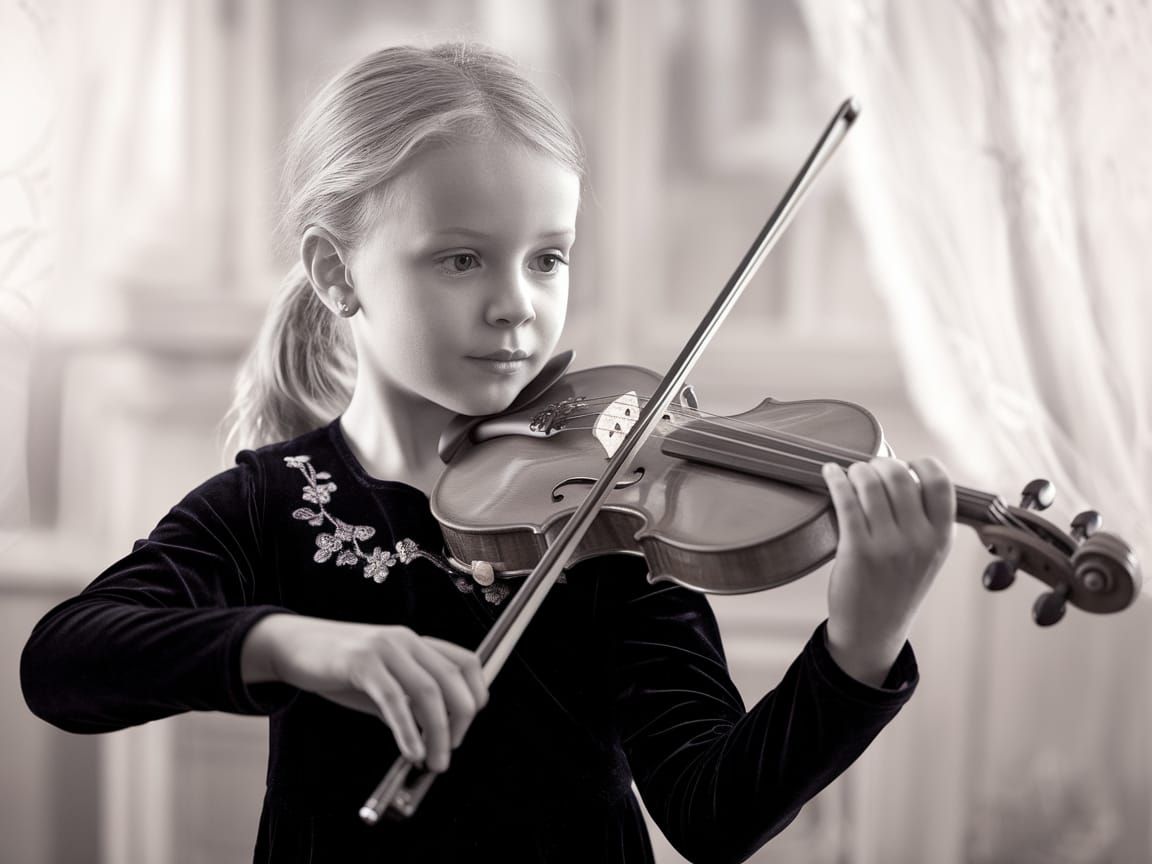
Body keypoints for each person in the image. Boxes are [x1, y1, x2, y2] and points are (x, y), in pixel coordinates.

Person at [20, 42, 955, 863]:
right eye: (462, 258)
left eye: (547, 258)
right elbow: (62, 663)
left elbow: (713, 813)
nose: (517, 304)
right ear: (337, 272)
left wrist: (859, 643)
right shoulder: (274, 505)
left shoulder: (613, 529)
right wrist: (294, 644)